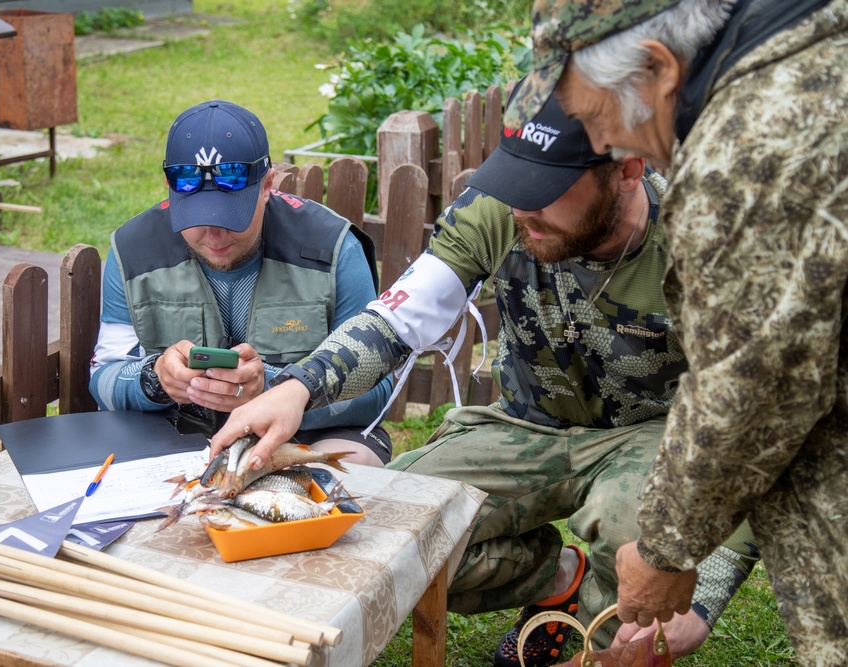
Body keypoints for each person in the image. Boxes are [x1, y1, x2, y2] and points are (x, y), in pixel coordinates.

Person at [209, 86, 758, 665]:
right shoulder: (501, 208)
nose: (523, 212)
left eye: (546, 193)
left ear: (627, 172)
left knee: (642, 527)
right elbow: (402, 316)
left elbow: (755, 426)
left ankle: (598, 648)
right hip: (527, 424)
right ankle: (558, 580)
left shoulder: (704, 242)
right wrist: (299, 387)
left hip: (656, 435)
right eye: (518, 187)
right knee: (382, 536)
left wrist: (703, 595)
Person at [500, 0, 848, 664]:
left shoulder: (743, 149)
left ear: (658, 67)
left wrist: (666, 547)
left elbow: (752, 383)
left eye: (596, 117)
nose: (600, 146)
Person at [89, 99, 394, 467]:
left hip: (301, 440)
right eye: (196, 216)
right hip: (176, 438)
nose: (213, 234)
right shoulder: (133, 249)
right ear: (171, 188)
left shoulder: (334, 249)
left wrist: (274, 388)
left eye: (231, 215)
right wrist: (153, 380)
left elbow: (378, 391)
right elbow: (102, 375)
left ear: (267, 185)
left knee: (354, 463)